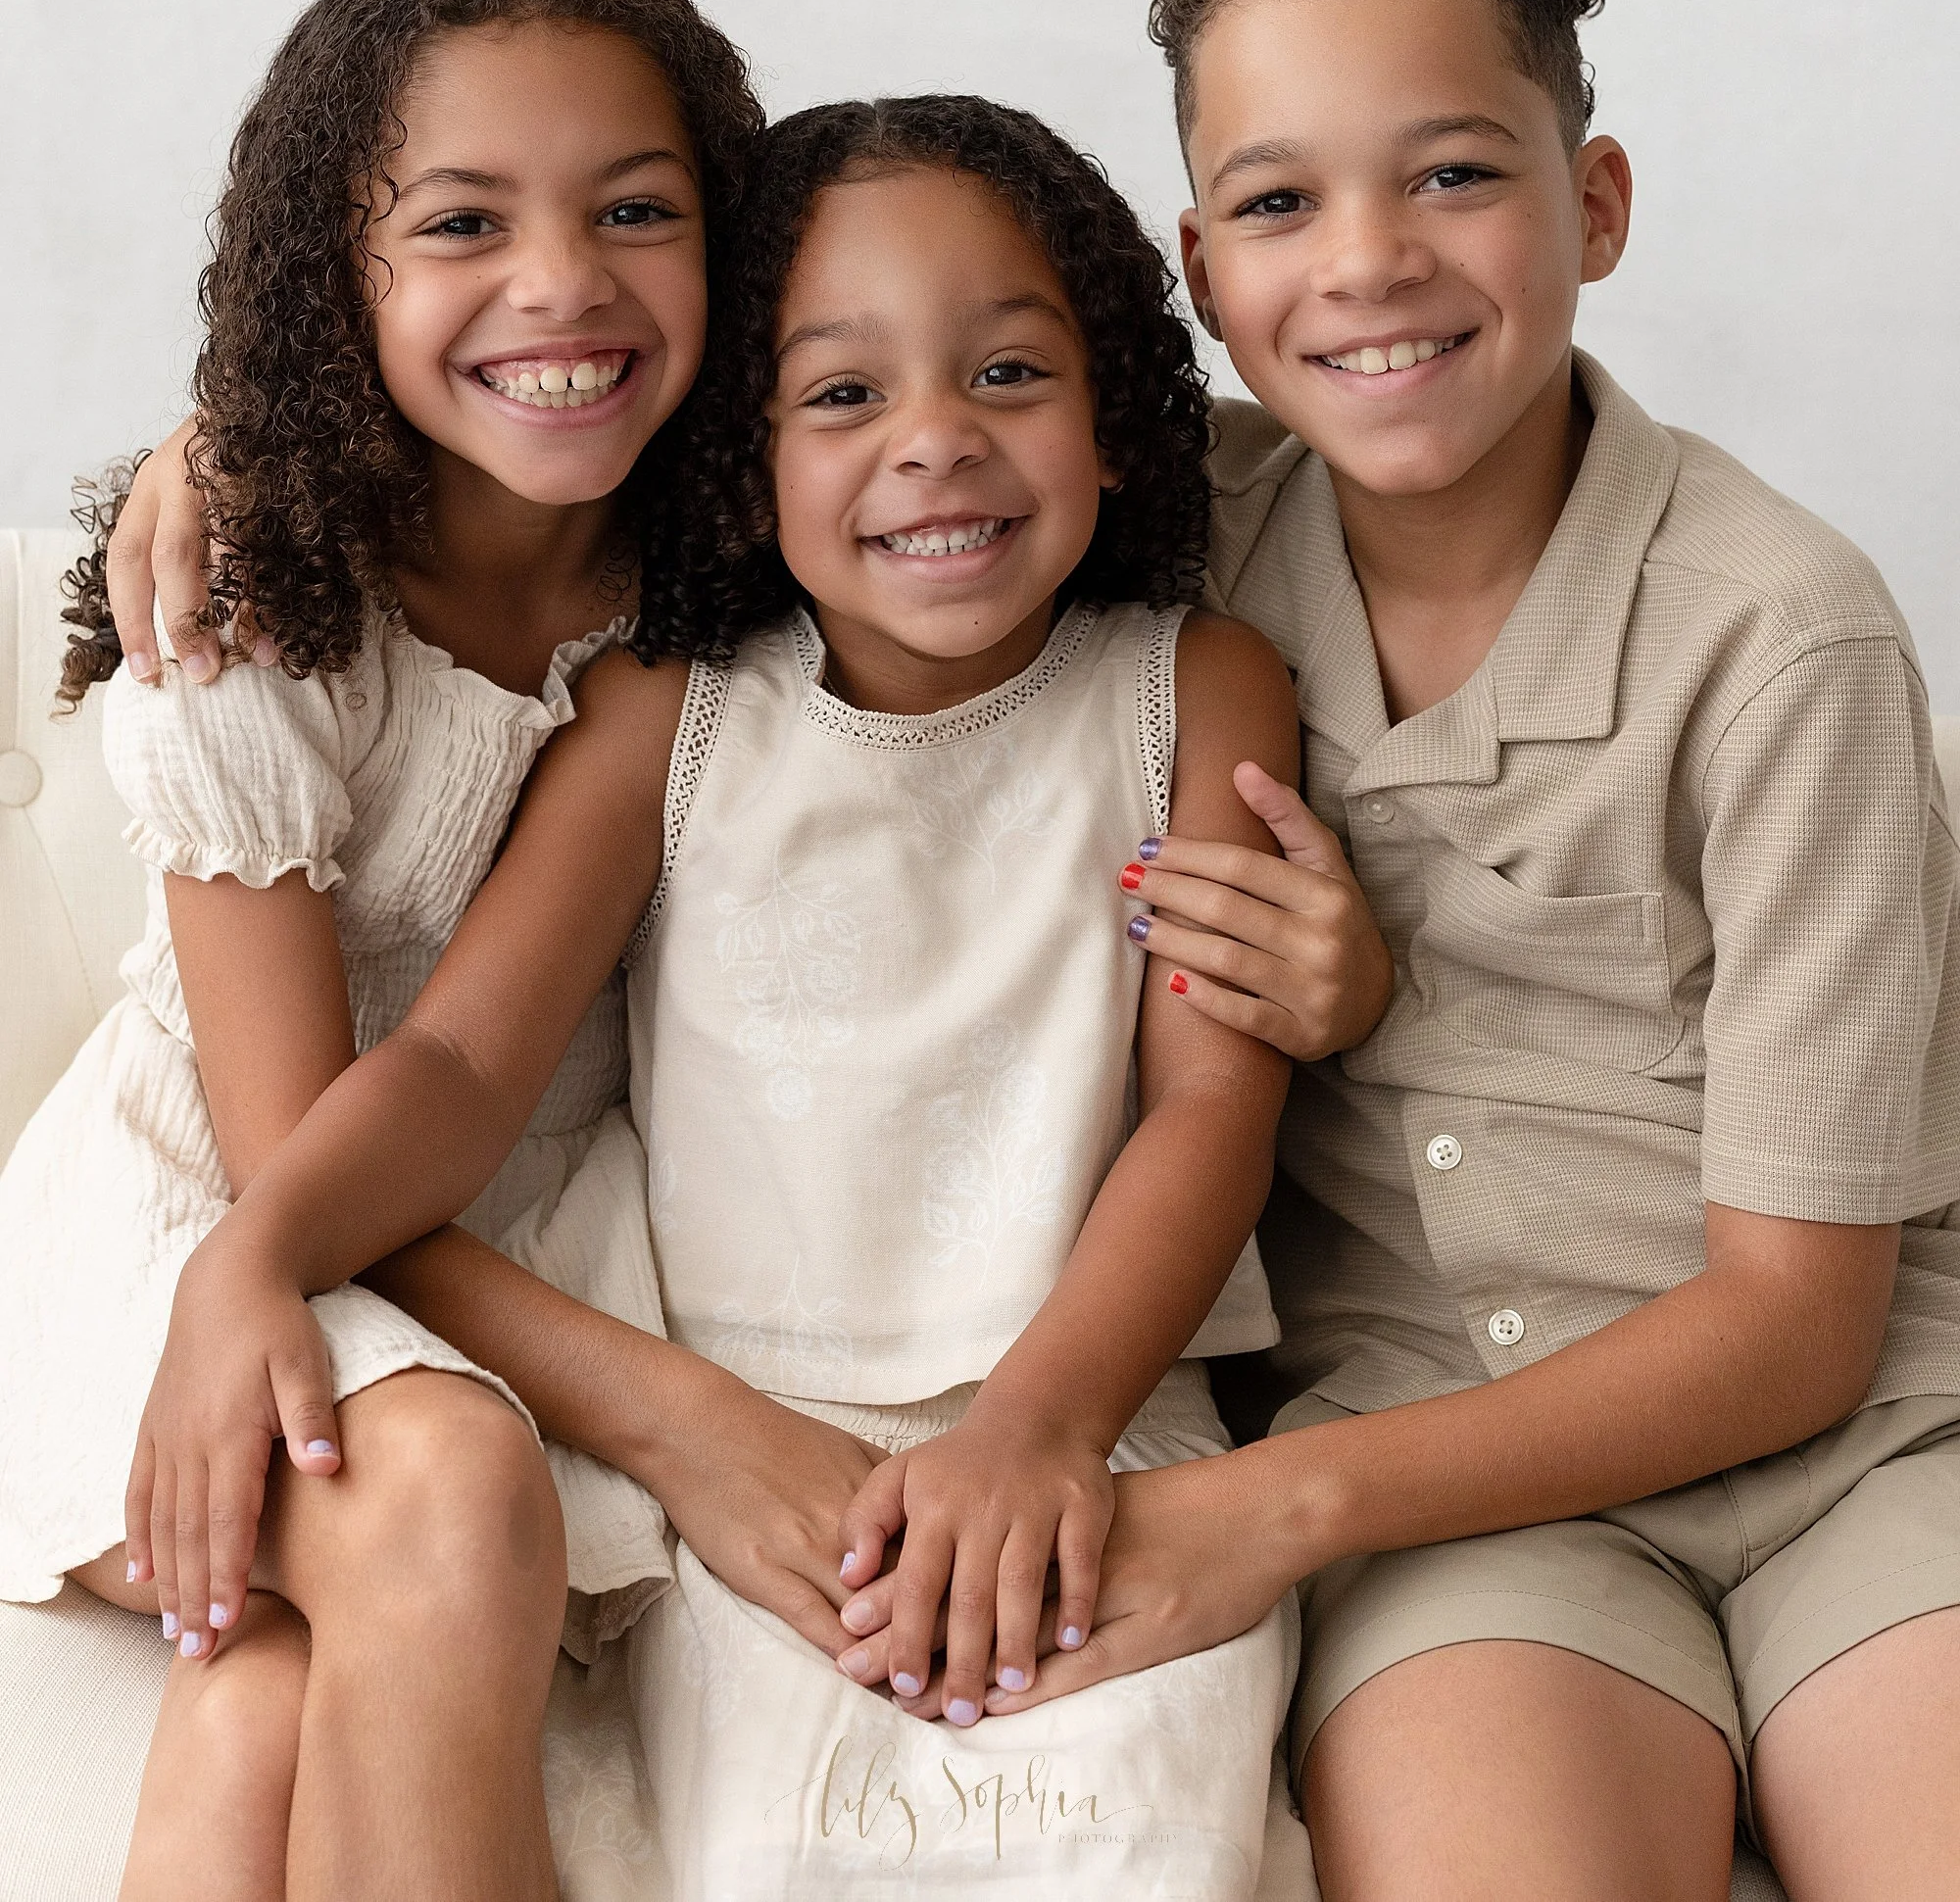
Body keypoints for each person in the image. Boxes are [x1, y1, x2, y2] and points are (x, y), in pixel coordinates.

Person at [119, 95, 1355, 1893]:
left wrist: (1038, 1429)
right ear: (736, 453)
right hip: (743, 1449)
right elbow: (463, 1058)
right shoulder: (667, 711)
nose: (935, 443)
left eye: (1010, 373)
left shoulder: (1201, 688)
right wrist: (264, 1241)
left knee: (1133, 1846)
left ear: (1117, 422)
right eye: (843, 395)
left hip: (1091, 1414)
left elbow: (1210, 1111)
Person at [942, 0, 1960, 1901]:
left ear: (1590, 203)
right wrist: (213, 468)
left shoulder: (1784, 633)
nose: (1369, 261)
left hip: (1867, 1450)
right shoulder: (1164, 537)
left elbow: (1793, 1321)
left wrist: (1284, 1507)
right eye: (1279, 201)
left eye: (1454, 171)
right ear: (1200, 272)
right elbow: (731, 448)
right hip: (1467, 1490)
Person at [0, 0, 764, 1902]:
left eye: (636, 208)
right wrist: (239, 1272)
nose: (560, 284)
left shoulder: (712, 578)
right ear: (332, 273)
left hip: (479, 1189)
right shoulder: (262, 589)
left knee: (258, 1706)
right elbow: (293, 1138)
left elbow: (472, 1054)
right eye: (458, 222)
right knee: (437, 1488)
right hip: (213, 1208)